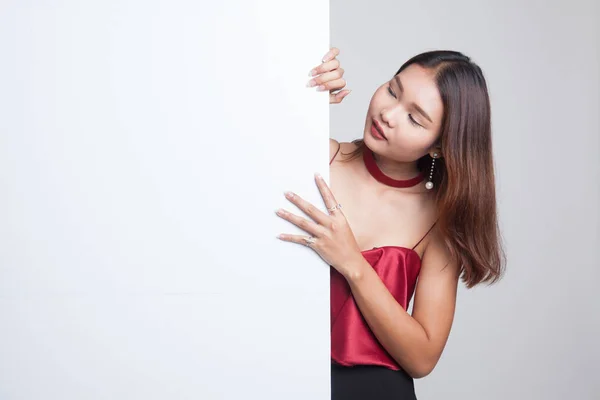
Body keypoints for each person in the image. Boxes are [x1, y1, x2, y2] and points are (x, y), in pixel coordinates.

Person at [275, 47, 506, 400]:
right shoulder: (320, 159)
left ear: (440, 146)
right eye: (392, 90)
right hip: (275, 378)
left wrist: (353, 263)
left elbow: (422, 358)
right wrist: (303, 96)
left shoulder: (438, 223)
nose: (387, 114)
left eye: (415, 119)